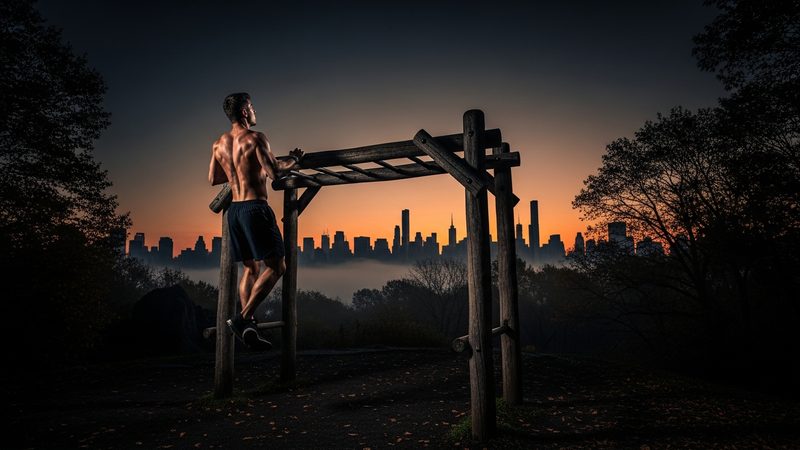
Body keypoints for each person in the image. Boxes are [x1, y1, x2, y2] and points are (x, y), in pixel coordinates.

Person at [209, 92, 303, 350]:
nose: (254, 110)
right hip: (255, 209)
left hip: (235, 212)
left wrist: (242, 170)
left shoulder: (219, 144)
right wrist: (294, 160)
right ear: (244, 112)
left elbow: (214, 178)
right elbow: (274, 173)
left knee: (251, 268)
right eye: (251, 106)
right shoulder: (256, 138)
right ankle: (241, 319)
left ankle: (248, 321)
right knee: (277, 266)